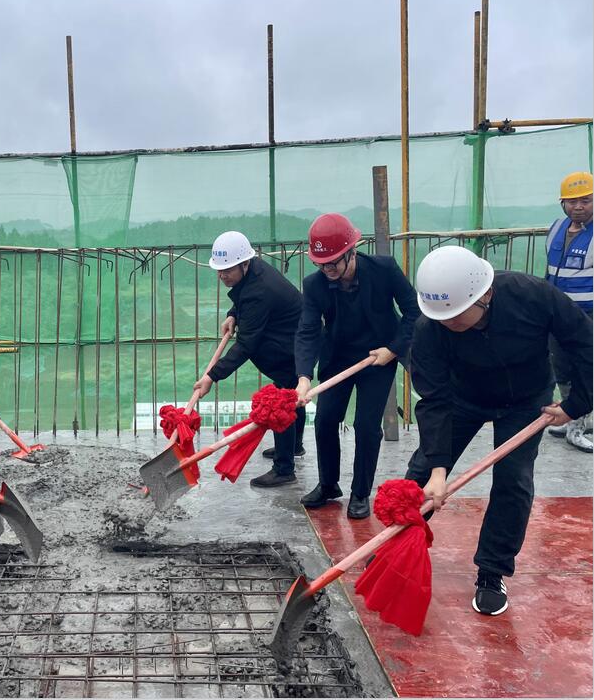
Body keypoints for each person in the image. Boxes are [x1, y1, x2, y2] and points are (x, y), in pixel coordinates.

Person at [406, 245, 592, 616]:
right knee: (422, 472)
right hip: (463, 397)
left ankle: (492, 571)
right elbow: (434, 400)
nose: (449, 323)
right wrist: (440, 469)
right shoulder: (430, 328)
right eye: (442, 316)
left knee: (513, 479)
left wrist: (575, 405)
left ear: (485, 294)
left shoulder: (532, 295)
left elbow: (584, 341)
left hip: (526, 400)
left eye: (457, 314)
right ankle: (395, 544)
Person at [294, 214, 420, 519]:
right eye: (321, 264)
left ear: (352, 251)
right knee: (325, 420)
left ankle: (361, 493)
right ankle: (328, 485)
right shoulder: (314, 285)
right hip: (338, 358)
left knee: (366, 426)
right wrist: (303, 377)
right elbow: (308, 330)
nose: (327, 270)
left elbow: (413, 311)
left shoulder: (384, 269)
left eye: (333, 263)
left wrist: (393, 350)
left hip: (378, 357)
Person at [193, 231, 306, 488]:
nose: (222, 275)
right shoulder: (254, 269)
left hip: (292, 345)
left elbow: (246, 344)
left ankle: (284, 469)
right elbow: (244, 295)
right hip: (291, 337)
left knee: (282, 401)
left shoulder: (260, 290)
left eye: (227, 270)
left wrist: (212, 376)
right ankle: (293, 447)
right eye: (219, 270)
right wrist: (234, 313)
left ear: (244, 264)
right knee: (290, 395)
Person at [545, 171, 593, 452]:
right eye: (572, 201)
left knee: (585, 368)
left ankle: (578, 425)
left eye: (586, 201)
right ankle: (570, 415)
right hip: (557, 313)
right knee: (561, 366)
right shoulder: (556, 229)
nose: (578, 207)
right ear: (562, 203)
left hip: (587, 315)